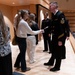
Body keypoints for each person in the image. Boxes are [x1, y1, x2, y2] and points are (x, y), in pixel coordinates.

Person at [44, 1, 70, 71]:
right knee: (53, 50)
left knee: (58, 52)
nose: (49, 7)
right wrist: (44, 30)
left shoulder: (60, 15)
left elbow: (62, 28)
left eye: (51, 6)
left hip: (59, 37)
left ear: (55, 6)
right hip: (55, 36)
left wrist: (60, 40)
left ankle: (57, 67)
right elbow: (52, 26)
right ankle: (51, 62)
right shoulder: (54, 15)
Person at [0, 11, 12, 75]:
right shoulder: (6, 26)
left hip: (1, 53)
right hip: (7, 51)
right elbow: (9, 37)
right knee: (8, 70)